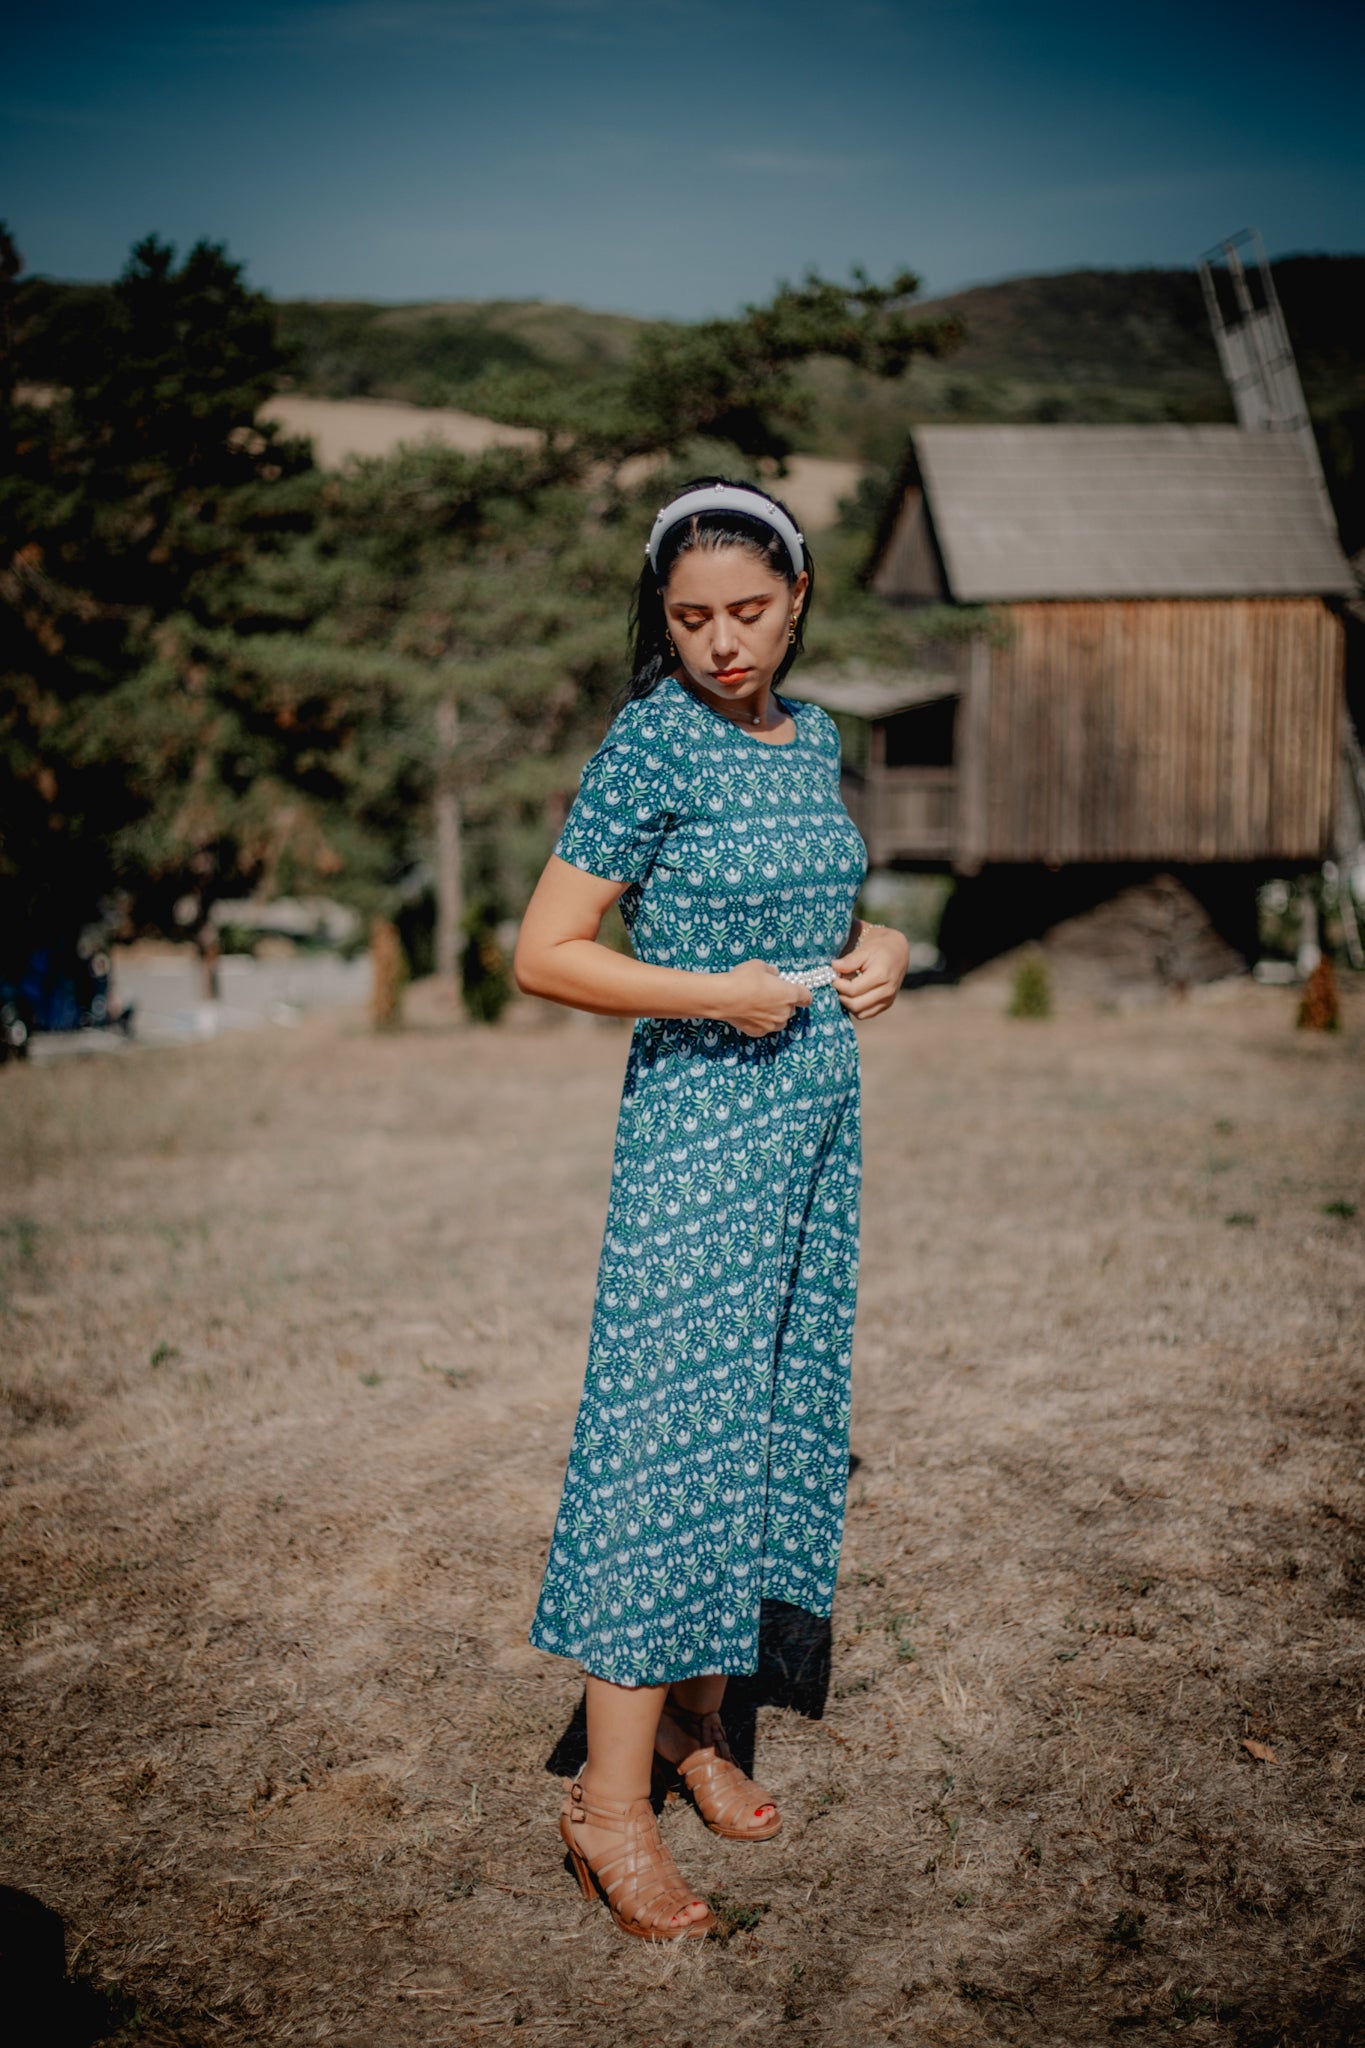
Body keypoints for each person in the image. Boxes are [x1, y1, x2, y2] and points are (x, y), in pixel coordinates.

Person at [515, 478, 910, 1940]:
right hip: (696, 1133)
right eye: (689, 619)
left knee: (754, 1423)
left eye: (746, 612)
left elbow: (819, 911)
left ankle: (692, 1728)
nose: (720, 643)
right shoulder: (647, 743)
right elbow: (544, 952)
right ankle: (603, 1808)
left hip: (814, 1121)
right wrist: (711, 996)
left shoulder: (809, 741)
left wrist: (884, 944)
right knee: (660, 1446)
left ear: (796, 597)